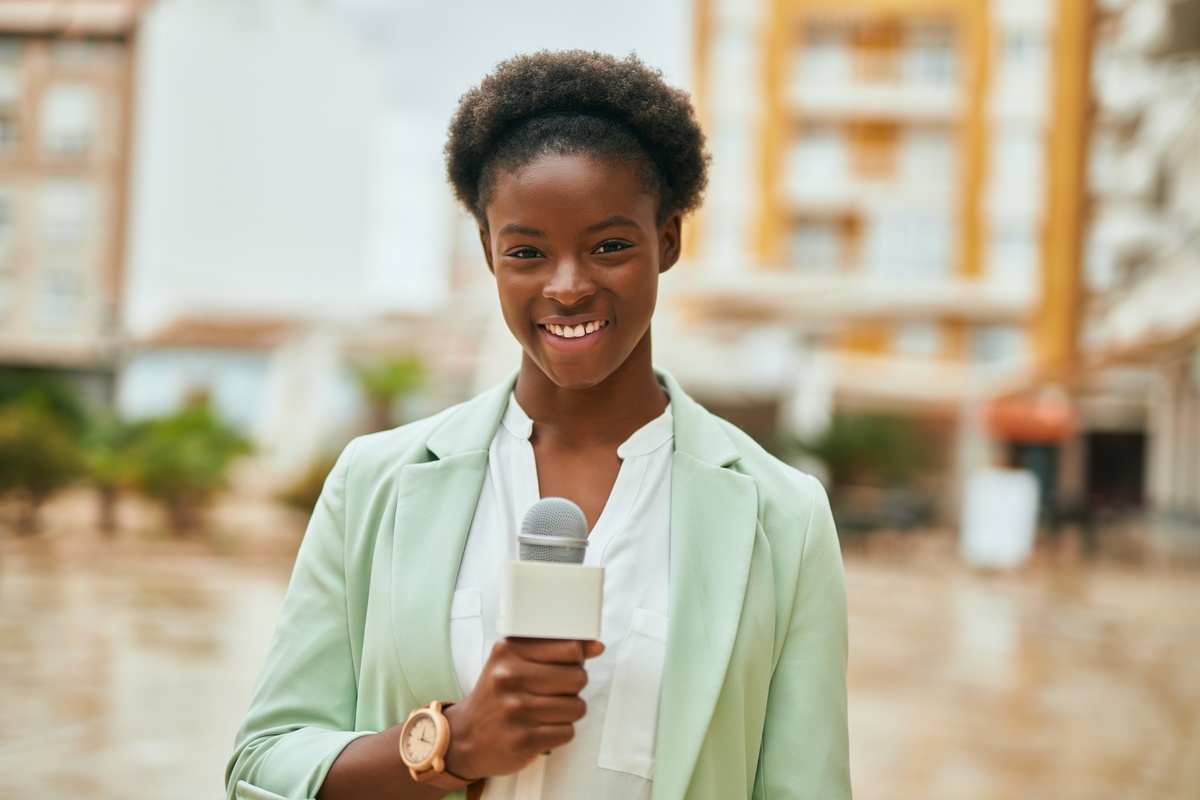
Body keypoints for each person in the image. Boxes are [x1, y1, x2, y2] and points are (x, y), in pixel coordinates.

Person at [227, 50, 850, 800]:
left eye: (610, 246)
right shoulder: (376, 485)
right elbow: (261, 766)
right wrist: (454, 743)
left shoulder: (784, 518)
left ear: (670, 239)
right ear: (489, 253)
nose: (567, 286)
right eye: (527, 252)